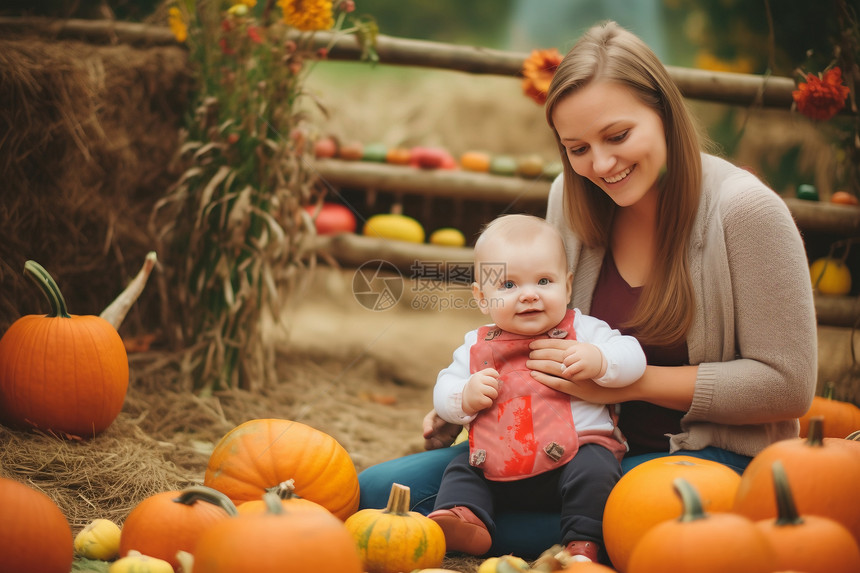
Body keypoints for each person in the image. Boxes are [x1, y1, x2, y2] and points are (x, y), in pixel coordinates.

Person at [358, 20, 817, 561]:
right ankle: (566, 536)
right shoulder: (571, 198)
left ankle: (588, 537)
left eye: (618, 136)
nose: (600, 164)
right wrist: (475, 402)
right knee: (376, 494)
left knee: (637, 517)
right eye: (577, 147)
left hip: (700, 457)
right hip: (563, 441)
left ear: (665, 114)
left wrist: (629, 384)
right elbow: (538, 330)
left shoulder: (746, 214)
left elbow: (787, 384)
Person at [427, 214, 646, 561]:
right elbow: (444, 388)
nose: (529, 295)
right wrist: (464, 395)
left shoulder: (584, 330)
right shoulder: (476, 344)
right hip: (497, 461)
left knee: (597, 469)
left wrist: (600, 361)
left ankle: (583, 542)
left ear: (568, 286)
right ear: (482, 298)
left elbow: (634, 356)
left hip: (573, 457)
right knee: (463, 469)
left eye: (544, 281)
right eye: (509, 286)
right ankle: (466, 519)